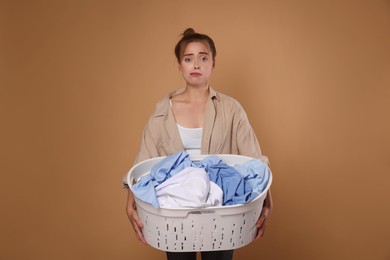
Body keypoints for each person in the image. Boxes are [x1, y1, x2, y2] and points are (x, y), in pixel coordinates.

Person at [124, 28, 273, 260]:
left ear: (213, 64)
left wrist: (267, 200)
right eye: (188, 58)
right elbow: (144, 163)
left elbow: (254, 162)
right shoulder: (162, 112)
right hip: (175, 213)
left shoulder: (231, 109)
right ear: (179, 65)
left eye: (203, 58)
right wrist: (130, 204)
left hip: (221, 209)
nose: (196, 64)